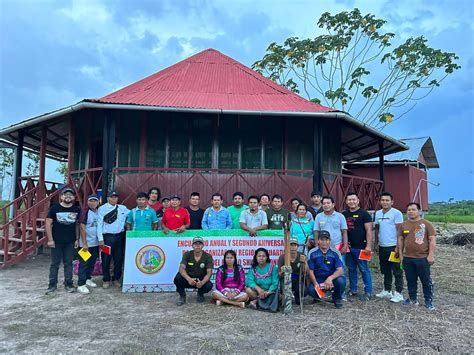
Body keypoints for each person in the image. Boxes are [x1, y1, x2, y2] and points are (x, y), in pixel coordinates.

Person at [398, 203, 436, 310]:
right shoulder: (403, 225)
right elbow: (400, 240)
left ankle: (428, 301)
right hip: (408, 258)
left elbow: (432, 240)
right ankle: (412, 299)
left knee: (425, 280)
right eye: (409, 209)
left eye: (413, 209)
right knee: (410, 280)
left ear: (419, 211)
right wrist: (401, 256)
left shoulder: (427, 224)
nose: (411, 211)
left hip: (422, 258)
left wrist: (431, 255)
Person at [45, 187, 82, 294]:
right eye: (65, 194)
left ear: (74, 197)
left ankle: (68, 283)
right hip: (56, 241)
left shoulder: (76, 210)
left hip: (70, 241)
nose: (68, 196)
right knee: (55, 264)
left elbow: (77, 225)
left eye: (70, 195)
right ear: (61, 197)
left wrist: (76, 239)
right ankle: (52, 285)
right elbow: (48, 224)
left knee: (68, 263)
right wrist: (50, 240)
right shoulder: (54, 208)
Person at [342, 192, 373, 301]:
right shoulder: (344, 214)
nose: (351, 202)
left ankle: (368, 291)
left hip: (362, 247)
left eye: (353, 199)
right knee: (351, 269)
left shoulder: (364, 214)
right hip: (349, 248)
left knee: (364, 269)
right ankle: (353, 289)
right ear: (346, 201)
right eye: (349, 200)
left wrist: (369, 246)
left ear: (358, 201)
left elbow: (369, 230)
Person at [374, 192, 404, 303]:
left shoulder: (396, 213)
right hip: (382, 246)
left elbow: (400, 231)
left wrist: (398, 247)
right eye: (383, 200)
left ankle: (399, 293)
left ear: (392, 202)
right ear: (380, 201)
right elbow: (377, 229)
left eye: (387, 200)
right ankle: (387, 290)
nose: (385, 202)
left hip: (393, 246)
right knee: (385, 269)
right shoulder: (377, 213)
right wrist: (376, 244)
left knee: (397, 270)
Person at [97, 190, 129, 288]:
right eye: (112, 197)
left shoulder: (122, 208)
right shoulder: (102, 209)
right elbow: (99, 224)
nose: (114, 199)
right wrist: (100, 239)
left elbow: (132, 214)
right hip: (107, 237)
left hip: (119, 237)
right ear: (108, 198)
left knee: (118, 258)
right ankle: (106, 279)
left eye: (115, 197)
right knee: (106, 259)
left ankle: (116, 278)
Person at [307, 230, 345, 308]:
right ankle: (318, 296)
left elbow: (340, 270)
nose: (324, 242)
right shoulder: (312, 252)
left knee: (341, 281)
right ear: (318, 241)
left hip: (332, 279)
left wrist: (330, 278)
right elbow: (310, 271)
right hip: (318, 279)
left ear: (330, 241)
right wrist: (315, 283)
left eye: (326, 239)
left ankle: (337, 298)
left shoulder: (335, 252)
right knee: (310, 289)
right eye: (322, 239)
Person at [174, 236, 213, 305]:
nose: (197, 246)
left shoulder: (208, 256)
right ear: (192, 245)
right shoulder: (187, 254)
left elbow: (209, 272)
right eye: (195, 244)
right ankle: (182, 296)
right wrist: (189, 279)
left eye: (199, 244)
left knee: (209, 285)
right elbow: (181, 268)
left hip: (200, 280)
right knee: (177, 278)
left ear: (203, 245)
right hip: (189, 280)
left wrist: (202, 282)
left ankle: (200, 294)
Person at [77, 194, 103, 295]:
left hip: (95, 243)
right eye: (91, 201)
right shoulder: (85, 212)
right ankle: (81, 284)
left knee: (92, 262)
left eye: (95, 201)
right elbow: (82, 227)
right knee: (84, 263)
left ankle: (88, 278)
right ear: (88, 202)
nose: (93, 203)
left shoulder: (98, 212)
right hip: (85, 244)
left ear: (98, 202)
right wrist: (84, 243)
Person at [278, 237, 307, 305]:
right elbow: (279, 274)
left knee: (304, 291)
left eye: (295, 245)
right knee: (285, 302)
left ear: (297, 246)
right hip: (286, 279)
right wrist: (283, 271)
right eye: (291, 245)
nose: (293, 247)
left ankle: (297, 296)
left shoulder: (302, 256)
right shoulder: (282, 257)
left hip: (297, 279)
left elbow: (306, 273)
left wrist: (305, 262)